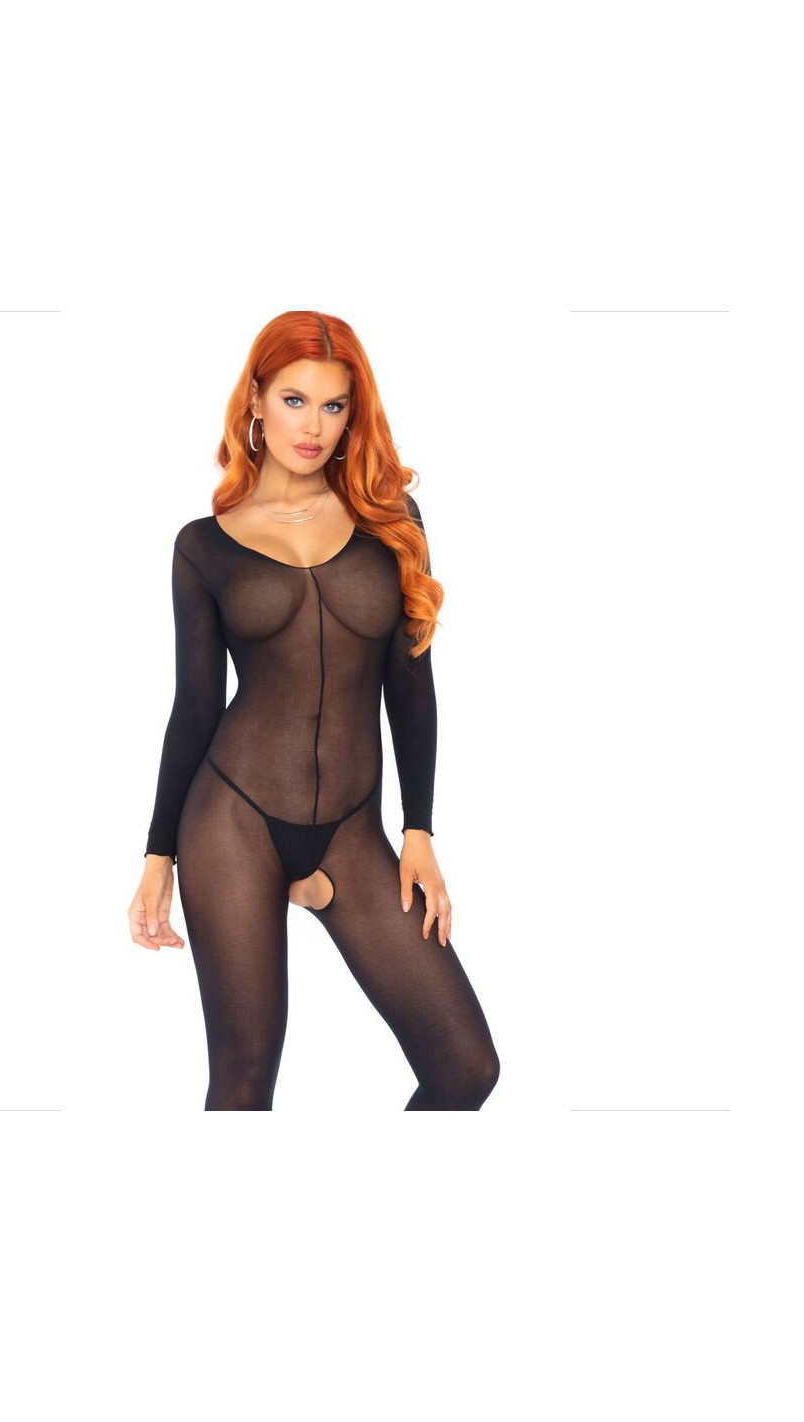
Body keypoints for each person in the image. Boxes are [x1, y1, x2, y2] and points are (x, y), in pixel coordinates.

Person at [128, 311, 500, 1110]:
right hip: (233, 817)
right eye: (294, 400)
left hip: (352, 828)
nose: (313, 426)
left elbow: (412, 683)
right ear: (256, 401)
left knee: (466, 1069)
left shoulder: (391, 520)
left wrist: (420, 830)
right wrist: (159, 855)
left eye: (334, 406)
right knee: (244, 1080)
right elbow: (195, 707)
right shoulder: (204, 546)